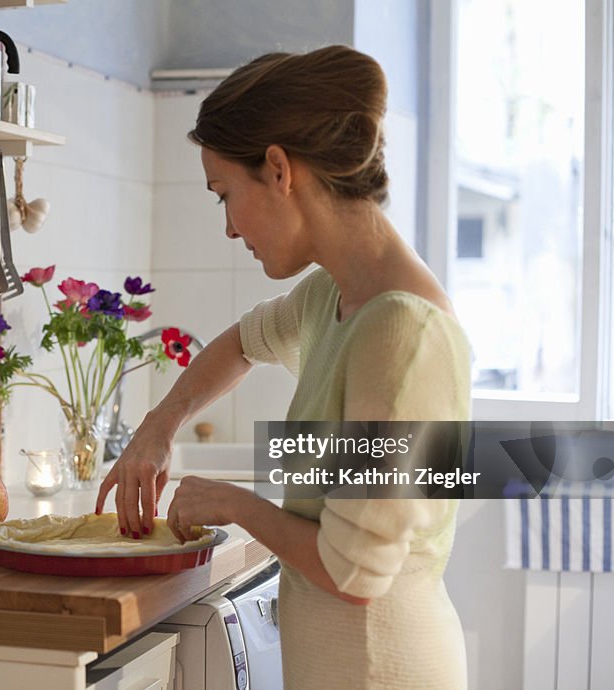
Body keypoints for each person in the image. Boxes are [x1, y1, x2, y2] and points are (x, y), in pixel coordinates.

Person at [95, 45, 471, 689]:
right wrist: (160, 424)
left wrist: (235, 503)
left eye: (224, 195)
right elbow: (242, 342)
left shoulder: (402, 330)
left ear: (278, 170)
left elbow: (356, 572)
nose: (229, 229)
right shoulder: (334, 294)